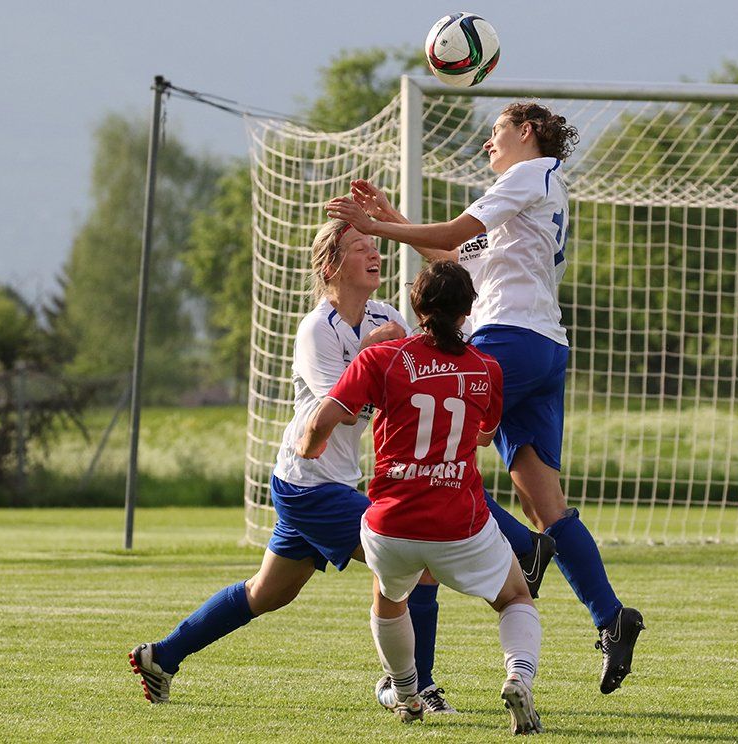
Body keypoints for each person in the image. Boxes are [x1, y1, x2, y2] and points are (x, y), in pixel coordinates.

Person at [128, 218, 550, 712]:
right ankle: (418, 689)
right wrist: (377, 352)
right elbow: (345, 405)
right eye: (359, 247)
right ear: (331, 266)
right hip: (309, 483)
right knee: (416, 562)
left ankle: (162, 656)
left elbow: (424, 365)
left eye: (374, 245)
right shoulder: (317, 330)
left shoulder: (384, 314)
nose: (374, 253)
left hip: (334, 481)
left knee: (266, 593)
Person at [326, 102, 645, 695]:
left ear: (527, 132)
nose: (486, 143)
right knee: (546, 505)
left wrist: (374, 227)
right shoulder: (531, 193)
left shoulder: (528, 174)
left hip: (506, 342)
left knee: (430, 466)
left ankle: (418, 676)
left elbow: (453, 234)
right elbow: (454, 261)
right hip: (542, 347)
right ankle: (611, 616)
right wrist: (394, 218)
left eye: (495, 131)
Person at [299, 261, 544, 735]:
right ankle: (518, 678)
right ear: (468, 311)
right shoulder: (487, 368)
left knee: (389, 597)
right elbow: (484, 435)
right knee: (516, 596)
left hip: (391, 523)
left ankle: (407, 694)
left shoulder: (381, 358)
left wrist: (311, 447)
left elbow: (322, 419)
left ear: (416, 307)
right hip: (459, 523)